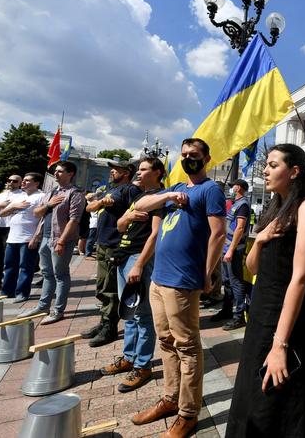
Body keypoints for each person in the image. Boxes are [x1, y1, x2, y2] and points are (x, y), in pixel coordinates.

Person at [130, 138, 226, 438]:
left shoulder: (210, 190)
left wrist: (208, 273)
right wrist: (169, 194)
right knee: (167, 342)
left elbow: (218, 233)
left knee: (187, 346)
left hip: (183, 281)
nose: (188, 159)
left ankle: (188, 413)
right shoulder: (178, 191)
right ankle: (171, 399)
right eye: (184, 155)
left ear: (207, 158)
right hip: (158, 279)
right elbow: (140, 204)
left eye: (194, 155)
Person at [225, 144, 305, 437]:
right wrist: (262, 238)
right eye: (266, 164)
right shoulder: (272, 209)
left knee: (280, 402)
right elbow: (252, 268)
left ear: (294, 172)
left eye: (273, 165)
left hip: (287, 323)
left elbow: (300, 278)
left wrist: (280, 345)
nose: (265, 170)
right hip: (260, 317)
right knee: (251, 397)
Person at [99, 157, 165, 393]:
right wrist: (126, 217)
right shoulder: (138, 197)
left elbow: (155, 234)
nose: (138, 173)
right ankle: (129, 357)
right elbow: (119, 226)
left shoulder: (159, 198)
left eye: (144, 169)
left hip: (138, 259)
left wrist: (139, 265)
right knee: (128, 313)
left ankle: (143, 365)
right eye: (138, 169)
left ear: (157, 172)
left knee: (143, 314)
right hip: (123, 256)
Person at [82, 159, 140, 347]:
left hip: (116, 245)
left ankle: (110, 327)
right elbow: (89, 207)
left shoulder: (130, 190)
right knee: (101, 285)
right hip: (103, 243)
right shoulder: (109, 190)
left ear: (127, 172)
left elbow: (136, 215)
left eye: (116, 169)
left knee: (111, 287)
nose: (112, 171)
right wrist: (100, 202)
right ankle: (104, 321)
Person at [19, 161, 85, 325]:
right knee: (47, 273)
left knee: (60, 274)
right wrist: (49, 205)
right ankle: (43, 306)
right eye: (55, 171)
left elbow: (74, 220)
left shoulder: (75, 193)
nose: (56, 174)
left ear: (70, 174)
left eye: (60, 171)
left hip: (60, 239)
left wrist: (62, 241)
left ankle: (58, 310)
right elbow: (37, 213)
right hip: (46, 237)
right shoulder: (51, 192)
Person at [211, 178, 250, 331]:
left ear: (238, 188)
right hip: (226, 248)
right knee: (227, 282)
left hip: (233, 250)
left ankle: (239, 316)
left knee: (236, 282)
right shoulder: (236, 204)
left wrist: (232, 250)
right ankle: (227, 310)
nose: (231, 189)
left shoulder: (243, 205)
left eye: (233, 186)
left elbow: (240, 228)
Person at [0, 173, 43, 301]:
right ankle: (7, 290)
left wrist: (36, 237)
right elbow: (2, 214)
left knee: (25, 267)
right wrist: (13, 206)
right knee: (9, 265)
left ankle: (22, 293)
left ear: (36, 183)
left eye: (27, 180)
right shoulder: (19, 197)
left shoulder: (41, 196)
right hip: (12, 237)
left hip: (27, 237)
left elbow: (42, 218)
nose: (23, 182)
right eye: (23, 180)